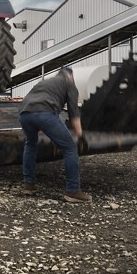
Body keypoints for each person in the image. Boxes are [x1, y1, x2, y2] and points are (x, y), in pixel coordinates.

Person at [19, 67, 91, 203]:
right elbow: (74, 113)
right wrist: (80, 136)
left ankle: (28, 185)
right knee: (70, 148)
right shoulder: (69, 83)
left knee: (30, 144)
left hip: (24, 113)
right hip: (44, 112)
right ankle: (73, 191)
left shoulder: (45, 82)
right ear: (70, 76)